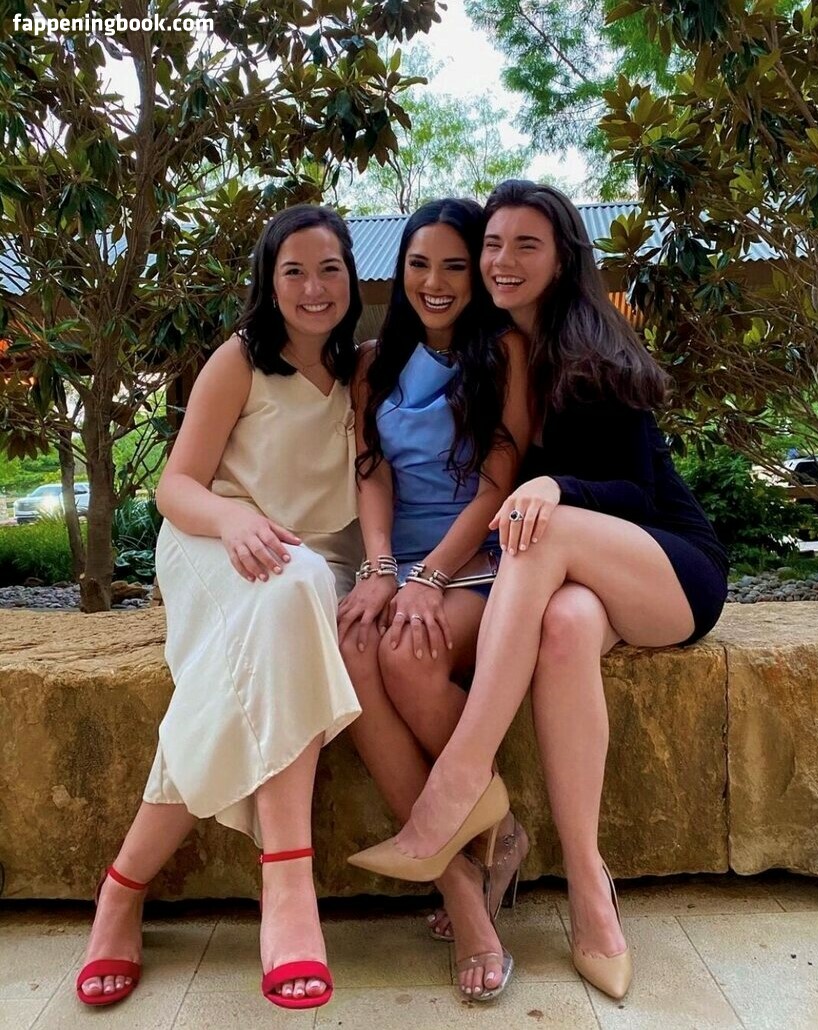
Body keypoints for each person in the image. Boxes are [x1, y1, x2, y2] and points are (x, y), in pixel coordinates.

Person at [348, 180, 729, 1001]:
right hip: (578, 583)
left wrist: (555, 487)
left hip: (666, 566)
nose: (501, 260)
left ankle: (459, 781)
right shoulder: (498, 351)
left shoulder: (592, 345)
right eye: (493, 244)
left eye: (525, 245)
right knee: (563, 627)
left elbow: (639, 492)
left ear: (561, 258)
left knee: (534, 523)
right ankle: (590, 888)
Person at [76, 205, 365, 1012]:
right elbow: (175, 486)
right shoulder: (239, 360)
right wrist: (234, 521)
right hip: (216, 542)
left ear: (352, 276)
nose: (314, 287)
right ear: (269, 282)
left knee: (277, 619)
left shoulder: (362, 369)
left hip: (317, 562)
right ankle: (289, 881)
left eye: (330, 269)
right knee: (293, 587)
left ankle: (122, 887)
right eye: (294, 271)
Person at [338, 198, 530, 1000]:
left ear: (475, 275)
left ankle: (476, 850)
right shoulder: (372, 360)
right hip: (399, 559)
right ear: (401, 270)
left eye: (455, 264)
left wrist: (429, 578)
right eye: (420, 264)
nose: (436, 281)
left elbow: (497, 484)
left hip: (476, 560)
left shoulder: (504, 351)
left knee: (407, 656)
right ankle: (472, 863)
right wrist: (382, 567)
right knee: (353, 647)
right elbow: (371, 471)